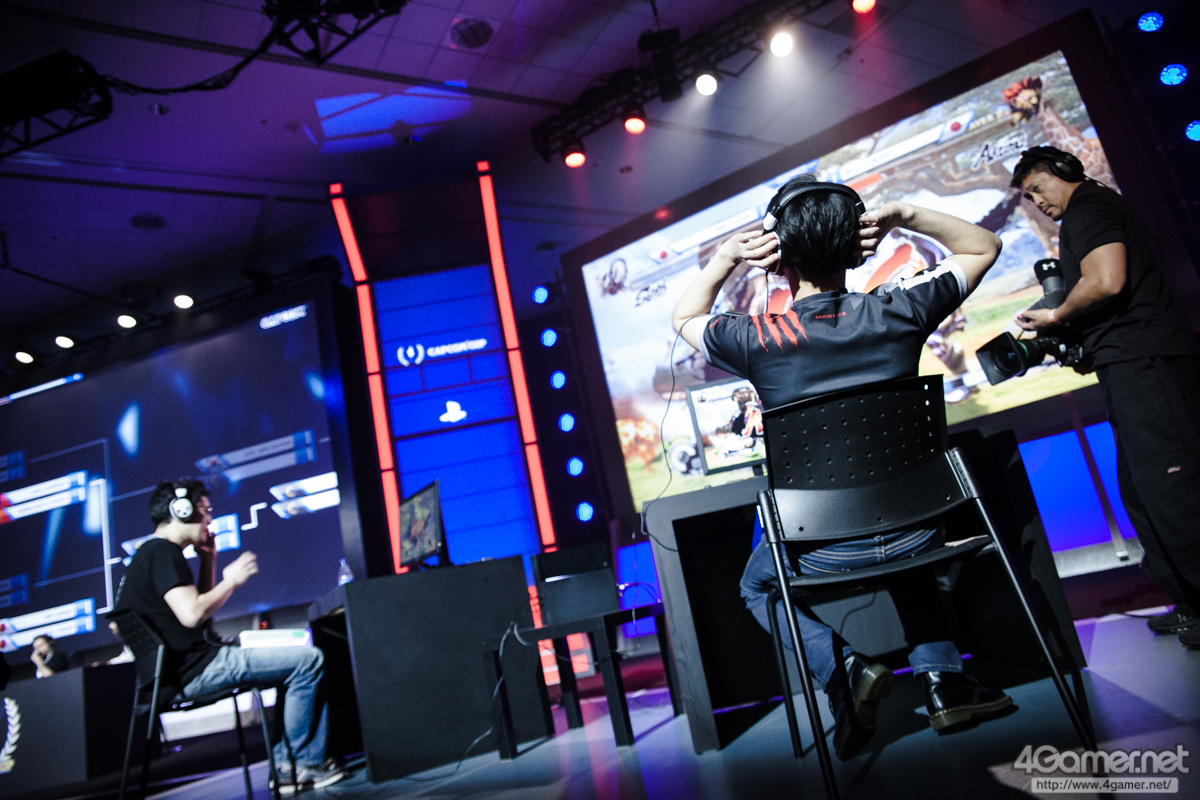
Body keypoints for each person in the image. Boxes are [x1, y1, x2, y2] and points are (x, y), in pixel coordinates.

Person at [672, 174, 1013, 760]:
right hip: (920, 529)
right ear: (858, 247)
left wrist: (728, 254)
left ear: (778, 259)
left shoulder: (755, 339)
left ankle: (845, 669)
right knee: (901, 532)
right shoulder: (901, 309)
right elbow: (985, 246)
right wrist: (902, 213)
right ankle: (945, 683)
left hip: (821, 550)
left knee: (756, 587)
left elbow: (684, 315)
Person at [1012, 146, 1200, 648]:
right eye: (1028, 196)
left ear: (1065, 172)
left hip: (1147, 363)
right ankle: (1190, 604)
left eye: (1038, 188)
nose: (1036, 201)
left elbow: (1107, 280)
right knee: (1143, 492)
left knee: (1174, 489)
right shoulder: (1086, 213)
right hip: (1128, 364)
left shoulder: (1089, 209)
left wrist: (1056, 315)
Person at [113, 479, 344, 792]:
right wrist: (231, 581)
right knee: (309, 661)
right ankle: (298, 766)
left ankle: (289, 765)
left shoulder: (149, 554)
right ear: (181, 511)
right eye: (205, 510)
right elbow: (192, 613)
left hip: (178, 674)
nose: (210, 518)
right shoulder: (163, 552)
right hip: (196, 670)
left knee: (291, 665)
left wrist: (208, 559)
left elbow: (197, 612)